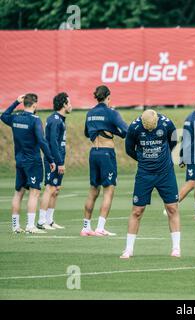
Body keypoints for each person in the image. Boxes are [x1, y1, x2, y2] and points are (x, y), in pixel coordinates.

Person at [120, 110, 180, 259]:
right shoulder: (134, 128)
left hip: (165, 172)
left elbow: (173, 141)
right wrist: (142, 159)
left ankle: (176, 248)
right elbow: (129, 149)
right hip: (144, 174)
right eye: (148, 129)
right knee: (137, 211)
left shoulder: (166, 123)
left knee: (172, 208)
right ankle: (128, 249)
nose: (151, 130)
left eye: (153, 128)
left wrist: (163, 157)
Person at [0, 94, 56, 234]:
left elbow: (3, 116)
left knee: (18, 193)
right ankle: (31, 226)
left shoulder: (16, 117)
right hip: (33, 161)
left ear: (23, 103)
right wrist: (50, 159)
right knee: (35, 192)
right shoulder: (35, 120)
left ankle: (15, 226)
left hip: (19, 161)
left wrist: (15, 102)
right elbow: (42, 141)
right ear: (35, 104)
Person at [81, 85, 128, 236]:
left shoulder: (90, 113)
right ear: (108, 97)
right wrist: (114, 131)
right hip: (107, 153)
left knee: (93, 190)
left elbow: (87, 133)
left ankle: (86, 227)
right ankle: (100, 227)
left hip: (93, 153)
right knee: (109, 190)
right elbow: (126, 131)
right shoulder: (111, 112)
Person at [37, 92, 72, 230]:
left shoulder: (59, 119)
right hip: (53, 160)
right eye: (69, 102)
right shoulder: (56, 120)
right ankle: (41, 221)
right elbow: (52, 143)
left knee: (56, 189)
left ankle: (49, 220)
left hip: (58, 158)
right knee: (50, 188)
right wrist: (58, 162)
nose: (71, 105)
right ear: (64, 104)